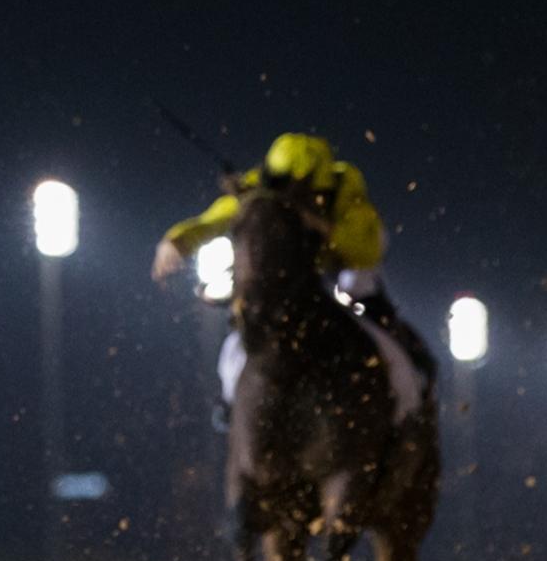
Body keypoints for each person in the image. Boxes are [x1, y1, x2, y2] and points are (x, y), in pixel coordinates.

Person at [152, 133, 433, 403]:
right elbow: (217, 217)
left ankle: (406, 403)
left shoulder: (345, 189)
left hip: (342, 274)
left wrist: (319, 225)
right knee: (243, 338)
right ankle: (233, 406)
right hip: (293, 280)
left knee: (361, 295)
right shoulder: (261, 190)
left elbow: (368, 249)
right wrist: (177, 241)